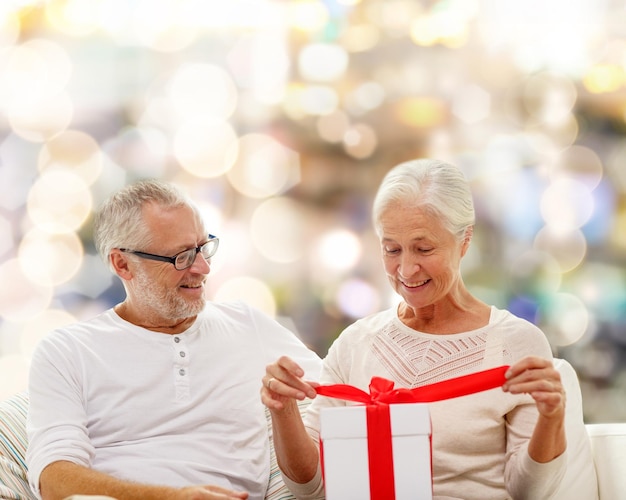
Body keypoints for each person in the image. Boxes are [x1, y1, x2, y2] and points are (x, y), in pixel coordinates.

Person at [261, 159, 574, 499]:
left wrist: (552, 418)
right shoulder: (355, 344)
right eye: (391, 250)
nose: (407, 270)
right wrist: (284, 410)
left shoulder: (515, 344)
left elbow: (529, 492)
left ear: (464, 240)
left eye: (424, 249)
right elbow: (312, 489)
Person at [26, 179, 322, 500]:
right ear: (122, 264)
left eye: (202, 247)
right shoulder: (67, 350)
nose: (203, 267)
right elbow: (53, 480)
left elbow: (344, 394)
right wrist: (171, 497)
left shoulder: (247, 324)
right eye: (181, 257)